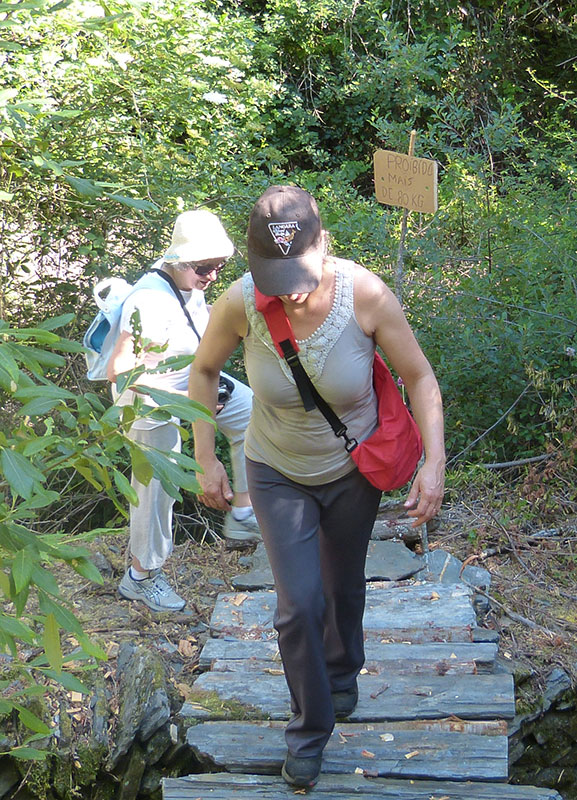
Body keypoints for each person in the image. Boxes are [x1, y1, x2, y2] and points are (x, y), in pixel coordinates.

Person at [188, 186, 445, 787]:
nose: (290, 289)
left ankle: (341, 672)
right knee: (297, 604)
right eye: (275, 275)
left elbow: (420, 376)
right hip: (275, 468)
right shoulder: (242, 303)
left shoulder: (367, 295)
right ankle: (310, 729)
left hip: (353, 473)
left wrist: (434, 463)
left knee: (343, 585)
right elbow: (203, 370)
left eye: (298, 272)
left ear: (323, 245)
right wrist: (206, 457)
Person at [108, 209, 261, 613]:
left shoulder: (191, 281)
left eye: (218, 266)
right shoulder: (147, 301)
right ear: (179, 260)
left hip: (188, 382)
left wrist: (207, 393)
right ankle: (141, 576)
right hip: (144, 398)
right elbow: (118, 371)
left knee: (252, 411)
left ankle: (243, 512)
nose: (211, 275)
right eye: (203, 267)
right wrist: (189, 406)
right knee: (157, 485)